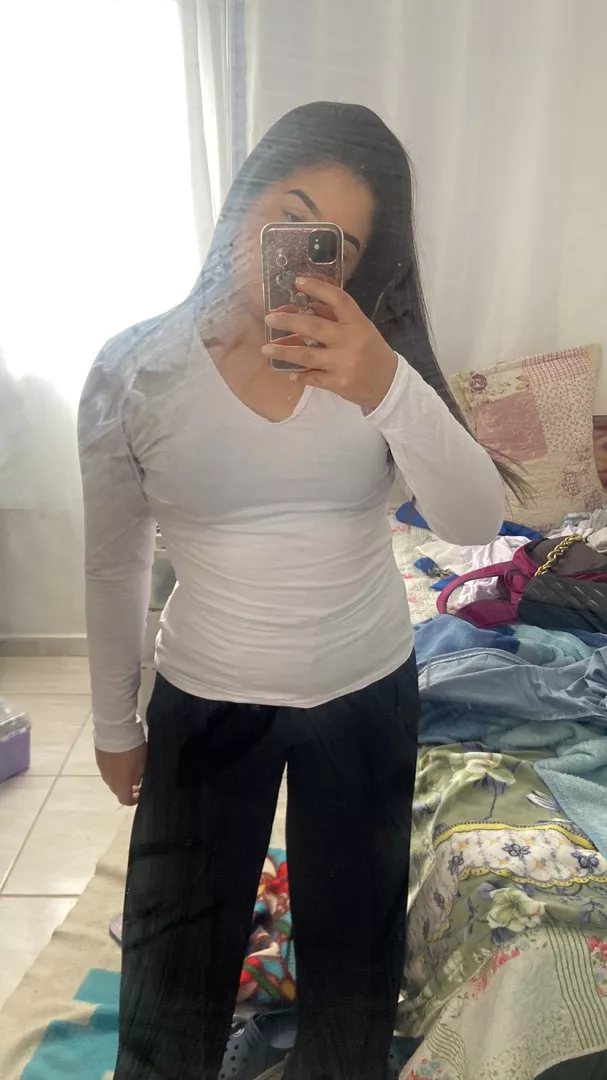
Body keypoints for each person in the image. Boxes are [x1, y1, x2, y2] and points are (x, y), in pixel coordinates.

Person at [78, 102, 509, 1080]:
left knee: (354, 963)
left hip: (365, 690)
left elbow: (473, 520)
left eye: (337, 247)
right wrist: (113, 723)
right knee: (172, 966)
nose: (304, 252)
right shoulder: (133, 368)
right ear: (245, 196)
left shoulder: (372, 365)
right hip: (205, 695)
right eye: (294, 212)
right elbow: (115, 561)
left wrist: (386, 382)